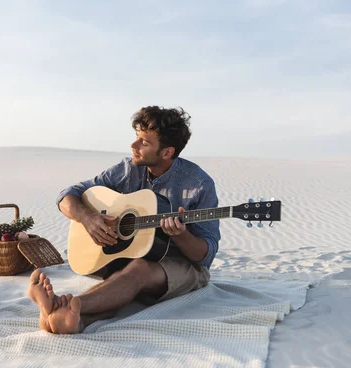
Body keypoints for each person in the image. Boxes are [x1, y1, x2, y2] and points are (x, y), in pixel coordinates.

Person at [27, 106, 220, 334]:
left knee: (138, 269)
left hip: (180, 264)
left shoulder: (199, 185)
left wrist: (182, 235)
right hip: (124, 256)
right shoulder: (129, 170)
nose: (133, 146)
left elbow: (204, 256)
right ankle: (69, 319)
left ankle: (64, 306)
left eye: (144, 143)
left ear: (167, 152)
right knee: (129, 270)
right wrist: (88, 218)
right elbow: (67, 195)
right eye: (136, 138)